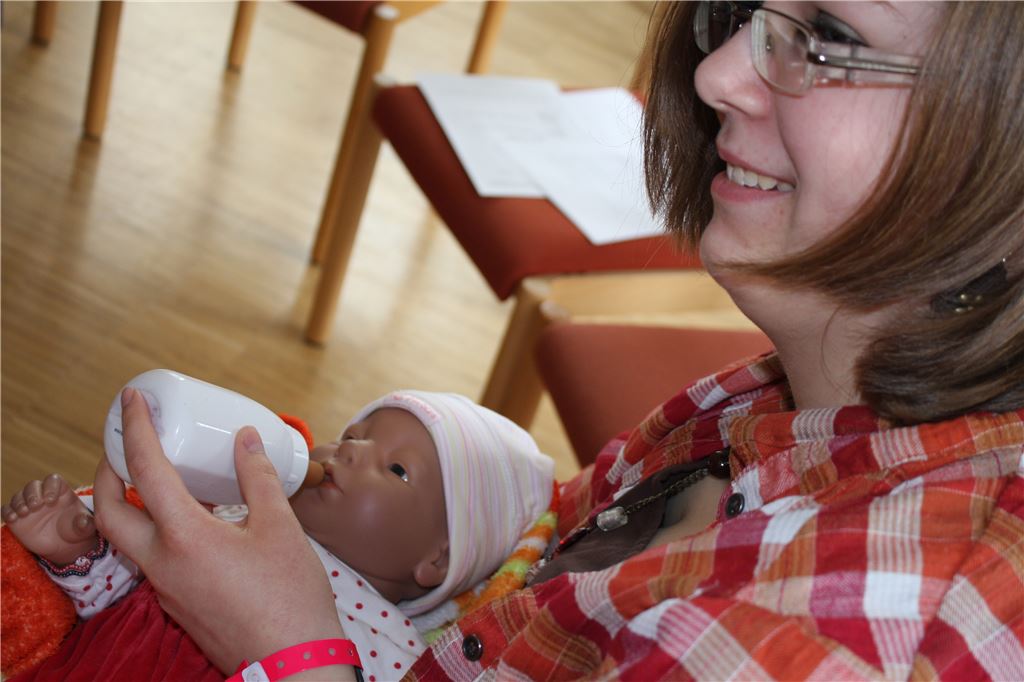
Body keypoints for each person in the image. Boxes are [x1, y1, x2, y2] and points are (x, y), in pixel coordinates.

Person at [73, 0, 1024, 679]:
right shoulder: (800, 391)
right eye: (745, 10)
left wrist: (287, 648)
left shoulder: (870, 637)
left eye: (832, 37)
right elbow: (545, 560)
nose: (716, 73)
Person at [2, 390, 554, 681]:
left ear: (436, 560)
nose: (351, 450)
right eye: (353, 435)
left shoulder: (393, 650)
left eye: (396, 469)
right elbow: (129, 602)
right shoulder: (230, 513)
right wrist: (79, 554)